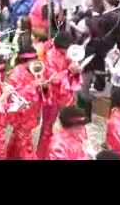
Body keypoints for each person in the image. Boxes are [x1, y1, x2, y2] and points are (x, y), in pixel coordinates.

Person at [35, 31, 82, 159]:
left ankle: (70, 152)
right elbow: (53, 79)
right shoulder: (50, 56)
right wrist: (69, 72)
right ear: (59, 46)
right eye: (64, 49)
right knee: (47, 127)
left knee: (71, 124)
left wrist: (76, 71)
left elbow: (75, 78)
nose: (66, 52)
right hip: (52, 96)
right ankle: (42, 155)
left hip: (66, 95)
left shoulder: (71, 54)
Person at [6, 45, 42, 159]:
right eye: (32, 60)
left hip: (33, 110)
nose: (35, 62)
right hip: (21, 113)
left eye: (36, 58)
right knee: (24, 141)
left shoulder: (36, 70)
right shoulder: (16, 73)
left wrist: (43, 86)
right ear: (24, 60)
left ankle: (11, 156)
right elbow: (13, 97)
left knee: (18, 137)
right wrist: (32, 86)